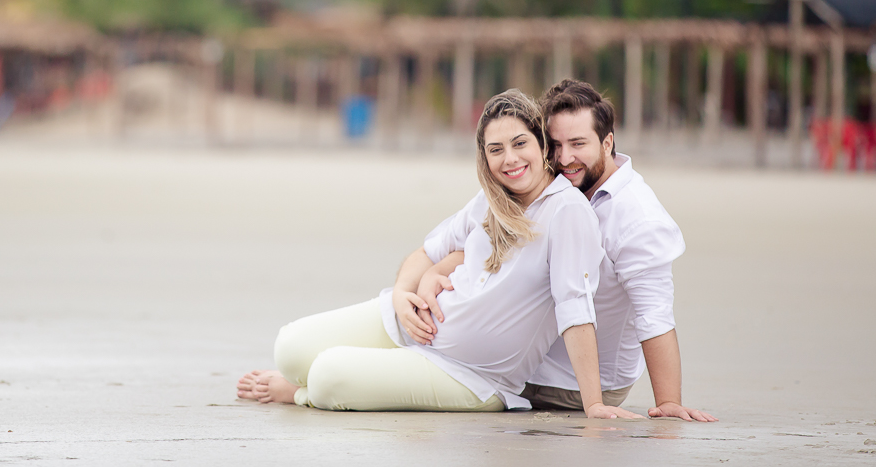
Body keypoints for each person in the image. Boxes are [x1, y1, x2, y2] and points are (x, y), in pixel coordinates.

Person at [236, 89, 643, 418]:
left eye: (520, 143)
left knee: (326, 376)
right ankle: (326, 372)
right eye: (495, 149)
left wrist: (594, 405)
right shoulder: (489, 201)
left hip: (469, 375)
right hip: (418, 324)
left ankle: (300, 393)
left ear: (541, 145)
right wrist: (401, 295)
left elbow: (575, 309)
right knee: (289, 347)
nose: (510, 159)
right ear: (483, 156)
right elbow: (425, 253)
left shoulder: (566, 212)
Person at [417, 80, 716, 422]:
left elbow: (654, 315)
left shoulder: (637, 218)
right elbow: (477, 246)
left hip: (568, 382)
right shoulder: (548, 189)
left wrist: (668, 401)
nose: (564, 158)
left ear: (608, 142)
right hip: (531, 358)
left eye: (578, 144)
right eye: (555, 144)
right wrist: (430, 275)